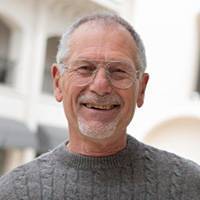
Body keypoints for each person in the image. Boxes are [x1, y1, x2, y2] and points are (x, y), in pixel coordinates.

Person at [0, 13, 200, 200]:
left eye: (119, 71)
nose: (101, 86)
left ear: (141, 89)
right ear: (58, 82)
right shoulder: (14, 192)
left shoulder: (188, 185)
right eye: (85, 68)